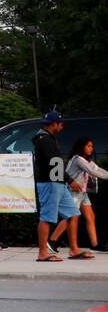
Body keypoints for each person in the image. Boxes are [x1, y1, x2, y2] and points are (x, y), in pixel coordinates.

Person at [33, 110, 85, 261]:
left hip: (58, 183)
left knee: (73, 214)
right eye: (60, 124)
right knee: (47, 217)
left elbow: (57, 164)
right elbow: (55, 164)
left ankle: (74, 250)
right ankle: (43, 253)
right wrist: (70, 181)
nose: (62, 126)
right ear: (54, 124)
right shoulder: (44, 140)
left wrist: (65, 181)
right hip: (49, 183)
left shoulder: (49, 138)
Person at [66, 137, 108, 252]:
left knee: (90, 216)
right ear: (81, 147)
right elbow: (92, 172)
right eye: (88, 146)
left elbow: (98, 169)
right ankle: (53, 241)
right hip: (73, 191)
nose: (91, 149)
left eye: (92, 146)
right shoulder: (78, 159)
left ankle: (95, 245)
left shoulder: (87, 161)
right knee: (71, 217)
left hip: (82, 192)